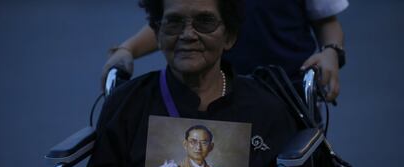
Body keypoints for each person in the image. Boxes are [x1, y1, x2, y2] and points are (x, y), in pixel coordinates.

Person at [76, 0, 322, 167]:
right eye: (174, 23)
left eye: (204, 22)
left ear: (229, 37)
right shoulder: (128, 105)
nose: (188, 34)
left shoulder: (266, 109)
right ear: (158, 34)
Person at [101, 0, 348, 102]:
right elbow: (178, 19)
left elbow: (327, 23)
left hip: (286, 92)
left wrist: (331, 53)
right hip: (213, 92)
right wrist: (128, 49)